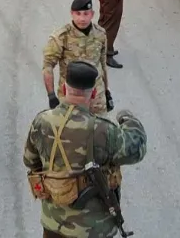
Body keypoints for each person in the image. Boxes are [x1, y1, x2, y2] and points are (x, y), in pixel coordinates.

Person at [24, 61, 147, 238]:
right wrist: (128, 119)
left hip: (53, 225)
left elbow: (30, 161)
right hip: (94, 230)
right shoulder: (104, 129)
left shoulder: (41, 121)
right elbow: (136, 150)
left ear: (64, 88)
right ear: (94, 93)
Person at [42, 0, 112, 115]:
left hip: (96, 98)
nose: (82, 18)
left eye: (86, 14)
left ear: (92, 14)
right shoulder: (61, 37)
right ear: (72, 14)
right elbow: (47, 66)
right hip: (70, 97)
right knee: (69, 126)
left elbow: (102, 64)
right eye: (78, 14)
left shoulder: (100, 34)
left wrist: (106, 92)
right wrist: (51, 96)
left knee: (101, 125)